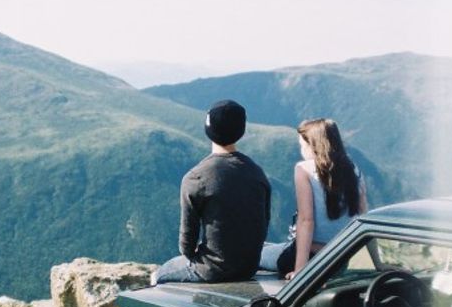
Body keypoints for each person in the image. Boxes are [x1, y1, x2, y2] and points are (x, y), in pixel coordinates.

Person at [152, 100, 272, 285]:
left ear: (208, 129)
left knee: (157, 275)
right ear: (241, 130)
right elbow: (264, 223)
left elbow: (187, 245)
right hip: (249, 267)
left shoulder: (196, 177)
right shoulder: (257, 172)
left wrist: (197, 257)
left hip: (211, 270)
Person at [259, 118, 367, 279]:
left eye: (302, 145)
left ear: (312, 145)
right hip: (339, 261)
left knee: (254, 254)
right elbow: (364, 219)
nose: (302, 151)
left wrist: (300, 270)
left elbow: (306, 220)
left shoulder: (304, 169)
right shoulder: (354, 170)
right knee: (270, 247)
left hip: (308, 258)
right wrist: (378, 263)